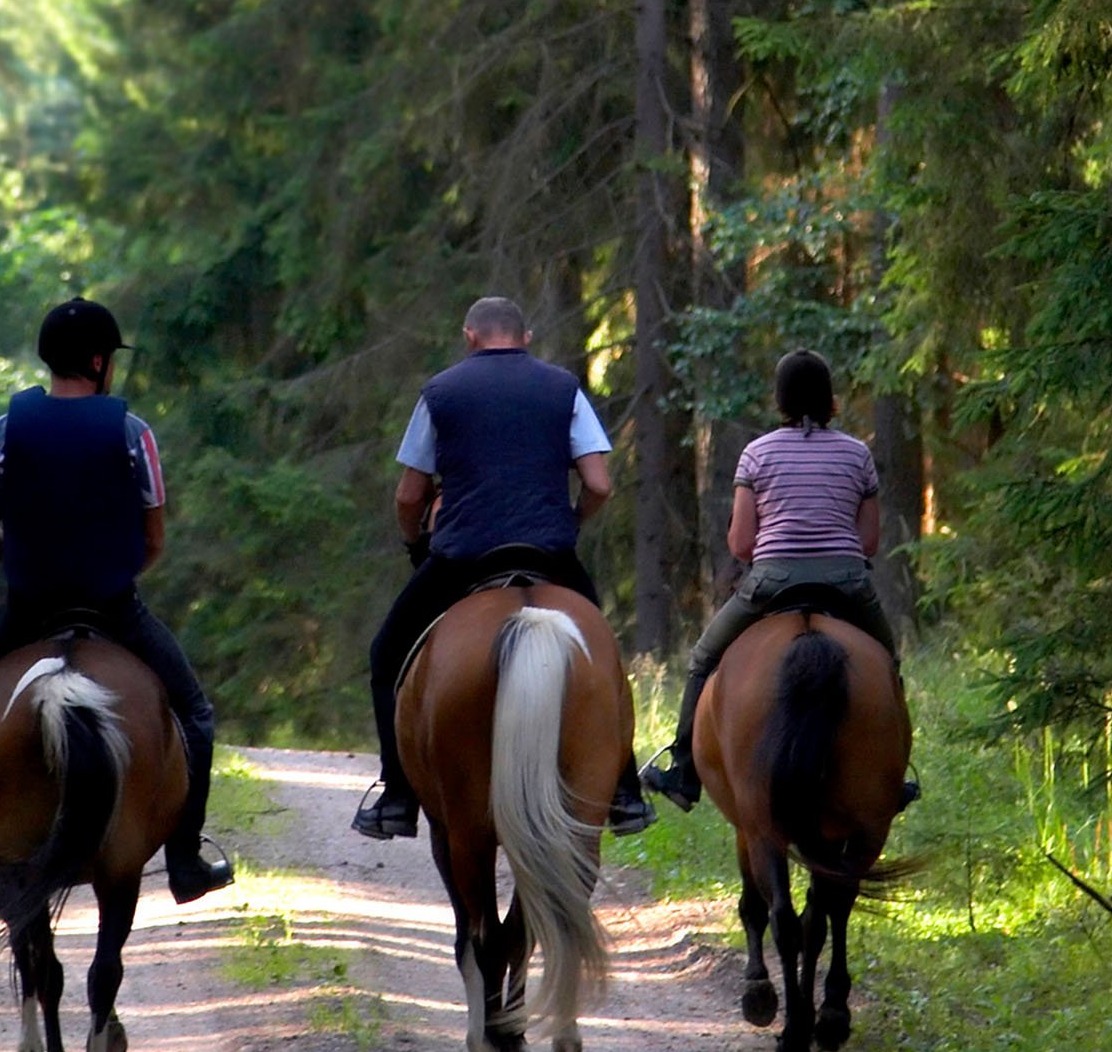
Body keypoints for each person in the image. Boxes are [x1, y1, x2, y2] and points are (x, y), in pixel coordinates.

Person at [0, 298, 235, 904]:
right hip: (114, 606)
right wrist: (117, 574)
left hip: (27, 607)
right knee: (195, 714)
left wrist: (21, 568)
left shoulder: (4, 430)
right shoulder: (132, 431)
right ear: (98, 361)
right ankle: (185, 856)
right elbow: (154, 537)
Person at [351, 295, 657, 841]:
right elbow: (600, 484)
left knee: (385, 654)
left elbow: (408, 495)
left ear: (470, 336)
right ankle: (625, 792)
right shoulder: (564, 388)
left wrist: (416, 543)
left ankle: (396, 795)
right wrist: (570, 521)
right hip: (548, 554)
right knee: (603, 656)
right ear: (527, 336)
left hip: (463, 555)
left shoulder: (440, 392)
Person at [640, 349, 902, 811]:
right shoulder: (857, 454)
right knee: (887, 660)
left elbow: (742, 544)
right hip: (845, 581)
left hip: (772, 582)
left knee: (703, 659)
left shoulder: (757, 454)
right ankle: (892, 775)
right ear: (829, 398)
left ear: (779, 398)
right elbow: (870, 541)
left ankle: (683, 772)